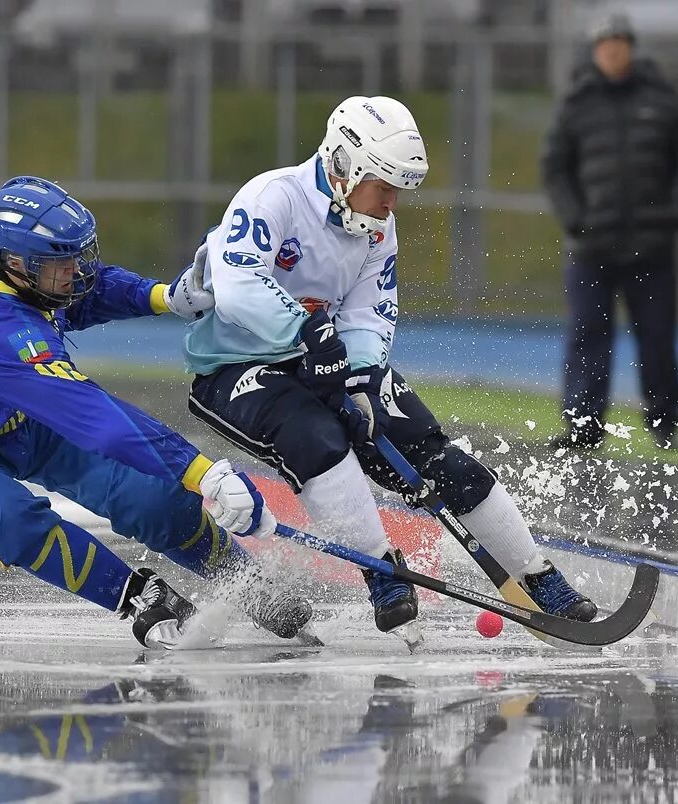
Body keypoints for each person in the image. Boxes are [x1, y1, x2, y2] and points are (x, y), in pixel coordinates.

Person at [183, 96, 598, 640]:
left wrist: (360, 376)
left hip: (322, 358)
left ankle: (539, 577)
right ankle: (381, 569)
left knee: (433, 451)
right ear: (345, 166)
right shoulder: (271, 197)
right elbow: (238, 287)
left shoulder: (377, 225)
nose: (391, 203)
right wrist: (305, 331)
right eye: (384, 187)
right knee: (318, 438)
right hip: (235, 365)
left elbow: (369, 309)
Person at [0, 176, 312, 649]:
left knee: (155, 500)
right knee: (9, 519)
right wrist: (205, 473)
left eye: (74, 256)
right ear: (14, 263)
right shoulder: (0, 334)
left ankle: (250, 585)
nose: (74, 271)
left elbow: (82, 295)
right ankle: (137, 597)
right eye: (59, 262)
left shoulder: (6, 272)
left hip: (19, 418)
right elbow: (99, 421)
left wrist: (164, 297)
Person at [541, 11, 678, 450]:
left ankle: (665, 423)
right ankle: (583, 424)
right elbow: (555, 167)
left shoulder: (664, 99)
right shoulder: (576, 103)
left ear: (631, 47)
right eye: (604, 44)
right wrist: (575, 216)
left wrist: (675, 211)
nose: (612, 51)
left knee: (656, 338)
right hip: (591, 246)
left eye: (619, 42)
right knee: (587, 334)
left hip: (651, 246)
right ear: (596, 52)